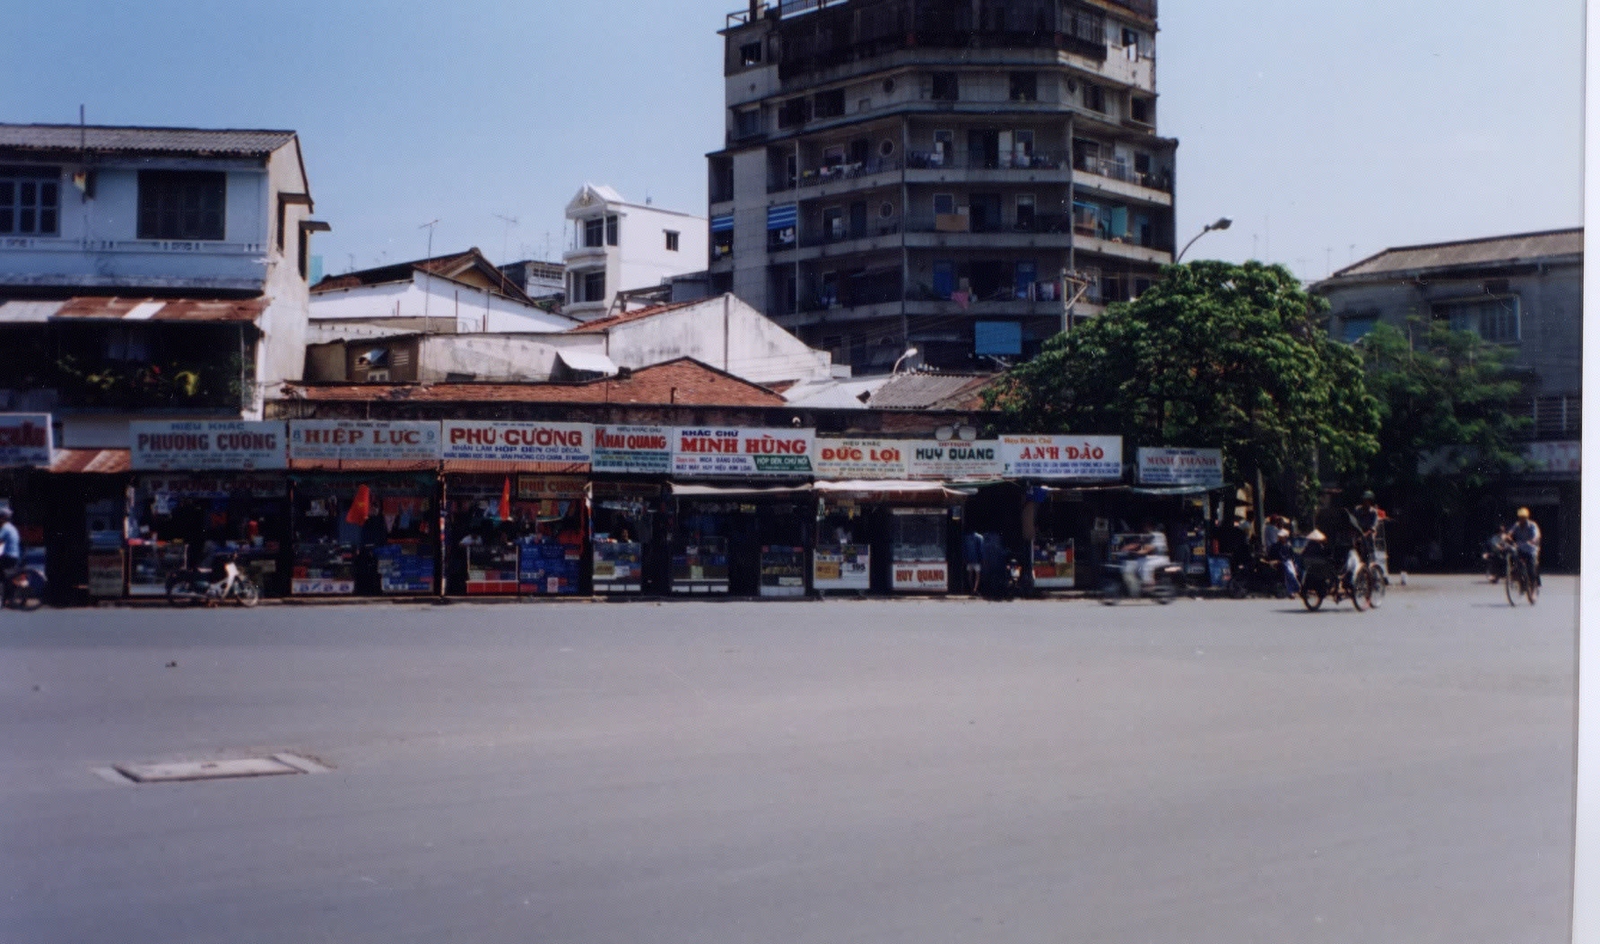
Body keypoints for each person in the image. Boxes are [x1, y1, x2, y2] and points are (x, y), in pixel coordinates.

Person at [1122, 523, 1169, 595]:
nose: (1145, 528)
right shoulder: (1153, 535)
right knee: (1139, 563)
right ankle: (1142, 583)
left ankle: (1149, 585)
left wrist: (1137, 552)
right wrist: (1127, 548)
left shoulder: (1156, 535)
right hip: (1155, 558)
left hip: (1160, 558)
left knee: (1147, 565)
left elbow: (1148, 548)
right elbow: (1139, 543)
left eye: (1147, 526)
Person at [1509, 507, 1542, 587]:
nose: (1521, 519)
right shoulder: (1517, 525)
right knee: (1515, 559)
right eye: (1520, 518)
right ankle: (1518, 578)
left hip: (1531, 549)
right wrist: (1508, 537)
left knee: (1531, 567)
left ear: (1527, 518)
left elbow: (1537, 535)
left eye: (1523, 518)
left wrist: (1533, 540)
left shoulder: (1532, 525)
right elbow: (1510, 532)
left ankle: (1534, 584)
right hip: (1520, 548)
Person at [0, 507, 20, 607]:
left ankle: (8, 599)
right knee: (6, 577)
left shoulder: (5, 528)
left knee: (5, 577)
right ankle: (7, 600)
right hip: (13, 556)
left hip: (9, 557)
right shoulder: (11, 527)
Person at [962, 530, 983, 595]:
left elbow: (964, 549)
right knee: (977, 575)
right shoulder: (980, 537)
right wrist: (982, 559)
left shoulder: (966, 537)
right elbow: (981, 549)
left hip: (969, 559)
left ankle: (971, 589)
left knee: (970, 575)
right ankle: (975, 590)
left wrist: (965, 558)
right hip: (977, 560)